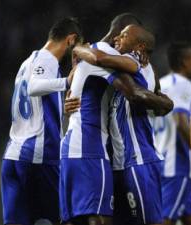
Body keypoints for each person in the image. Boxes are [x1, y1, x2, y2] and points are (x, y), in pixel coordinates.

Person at [61, 17, 172, 225]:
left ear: (139, 45)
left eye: (125, 35)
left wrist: (78, 48)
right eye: (120, 34)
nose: (118, 38)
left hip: (138, 159)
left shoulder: (134, 63)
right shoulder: (121, 67)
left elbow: (135, 92)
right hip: (118, 161)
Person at [1, 17, 82, 225]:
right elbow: (34, 87)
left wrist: (59, 108)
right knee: (67, 218)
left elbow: (30, 102)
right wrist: (67, 81)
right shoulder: (47, 59)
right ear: (70, 40)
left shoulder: (27, 62)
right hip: (38, 158)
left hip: (13, 156)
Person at [153, 42, 191, 225]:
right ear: (184, 61)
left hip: (159, 157)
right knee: (165, 218)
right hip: (176, 163)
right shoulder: (183, 85)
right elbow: (181, 121)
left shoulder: (160, 84)